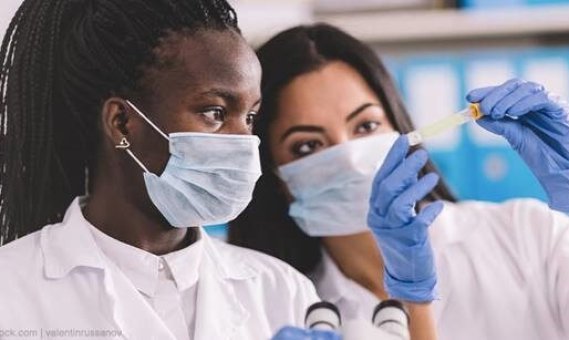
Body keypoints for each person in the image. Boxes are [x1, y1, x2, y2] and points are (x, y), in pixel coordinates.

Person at [228, 23, 569, 340]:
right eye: (308, 145)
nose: (350, 157)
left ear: (400, 128)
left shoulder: (525, 234)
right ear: (274, 175)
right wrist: (414, 302)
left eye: (366, 126)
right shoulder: (290, 309)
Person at [0, 1, 329, 339]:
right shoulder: (9, 291)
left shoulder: (282, 292)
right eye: (215, 112)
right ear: (123, 123)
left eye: (250, 117)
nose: (244, 142)